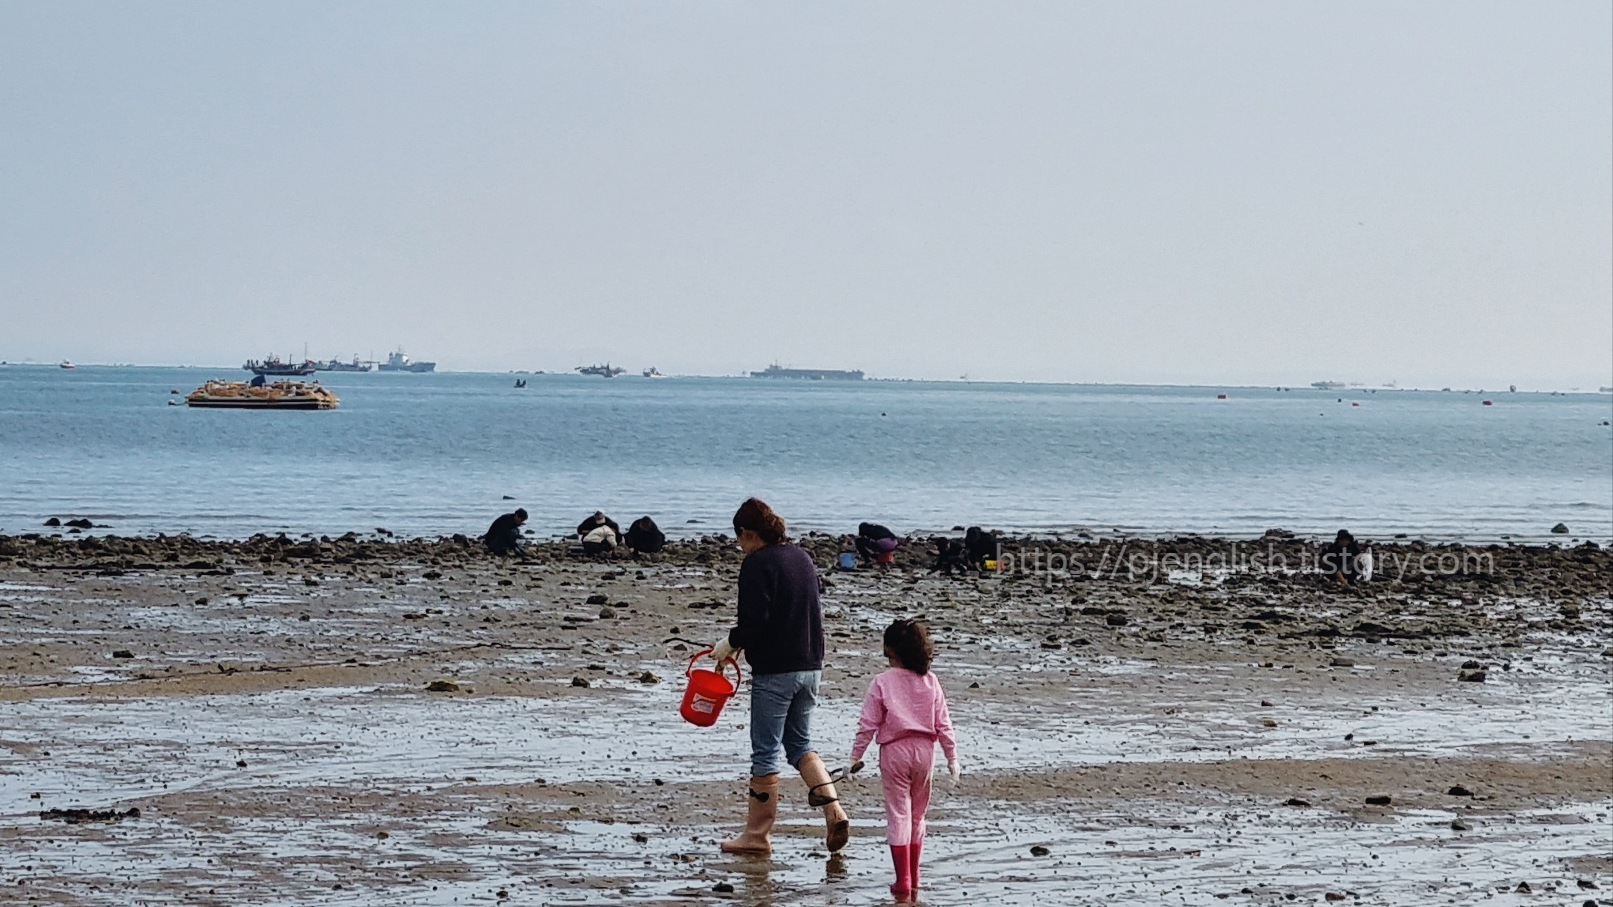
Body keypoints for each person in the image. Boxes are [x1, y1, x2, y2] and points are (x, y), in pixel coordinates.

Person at [712, 498, 850, 856]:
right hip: (811, 666)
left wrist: (729, 643)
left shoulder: (756, 564)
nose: (740, 546)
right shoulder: (801, 557)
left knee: (765, 752)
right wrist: (739, 645)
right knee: (800, 744)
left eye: (739, 538)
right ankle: (835, 811)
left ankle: (757, 835)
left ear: (748, 532)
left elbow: (754, 623)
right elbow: (789, 614)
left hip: (776, 671)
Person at [849, 619, 959, 900]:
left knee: (899, 813)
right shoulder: (931, 681)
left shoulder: (882, 682)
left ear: (890, 650)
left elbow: (868, 724)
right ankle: (915, 877)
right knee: (918, 814)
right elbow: (944, 724)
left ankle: (902, 880)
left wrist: (856, 755)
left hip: (895, 751)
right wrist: (952, 757)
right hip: (925, 752)